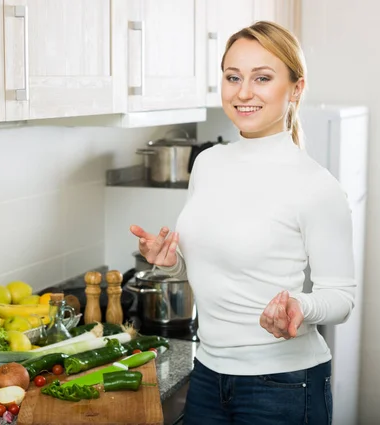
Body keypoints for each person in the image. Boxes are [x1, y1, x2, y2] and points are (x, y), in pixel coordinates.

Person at [130, 21, 355, 425]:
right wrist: (170, 262)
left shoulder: (316, 186)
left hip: (284, 386)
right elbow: (216, 264)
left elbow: (340, 297)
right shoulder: (207, 163)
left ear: (296, 88)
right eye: (233, 77)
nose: (243, 92)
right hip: (208, 375)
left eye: (262, 78)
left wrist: (299, 305)